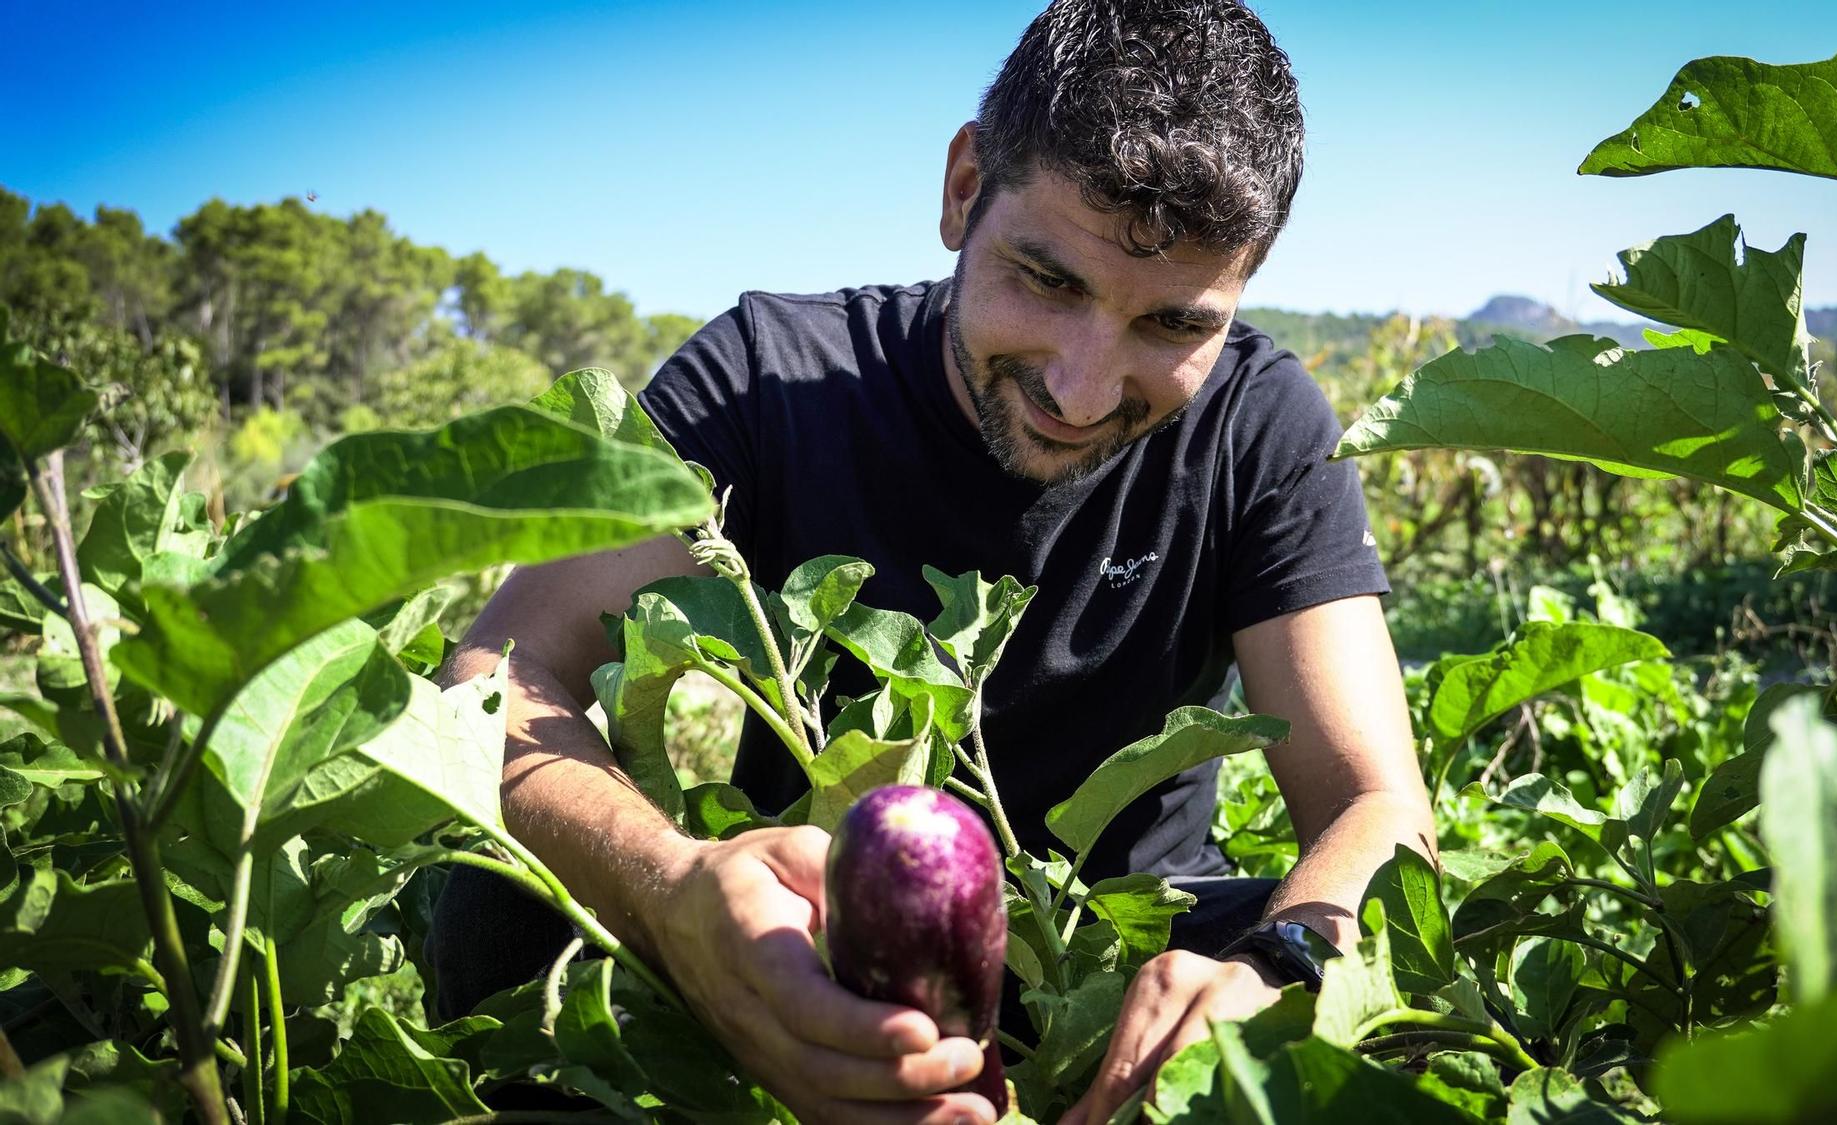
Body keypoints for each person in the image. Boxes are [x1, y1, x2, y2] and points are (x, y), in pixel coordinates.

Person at [426, 2, 1435, 1123]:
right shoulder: (767, 378)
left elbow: (1374, 800)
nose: (1082, 389)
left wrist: (1273, 971)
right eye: (1047, 282)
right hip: (823, 941)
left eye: (1170, 327)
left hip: (1118, 963)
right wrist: (671, 892)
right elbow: (496, 675)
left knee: (1377, 992)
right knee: (497, 893)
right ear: (963, 190)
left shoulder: (1261, 425)